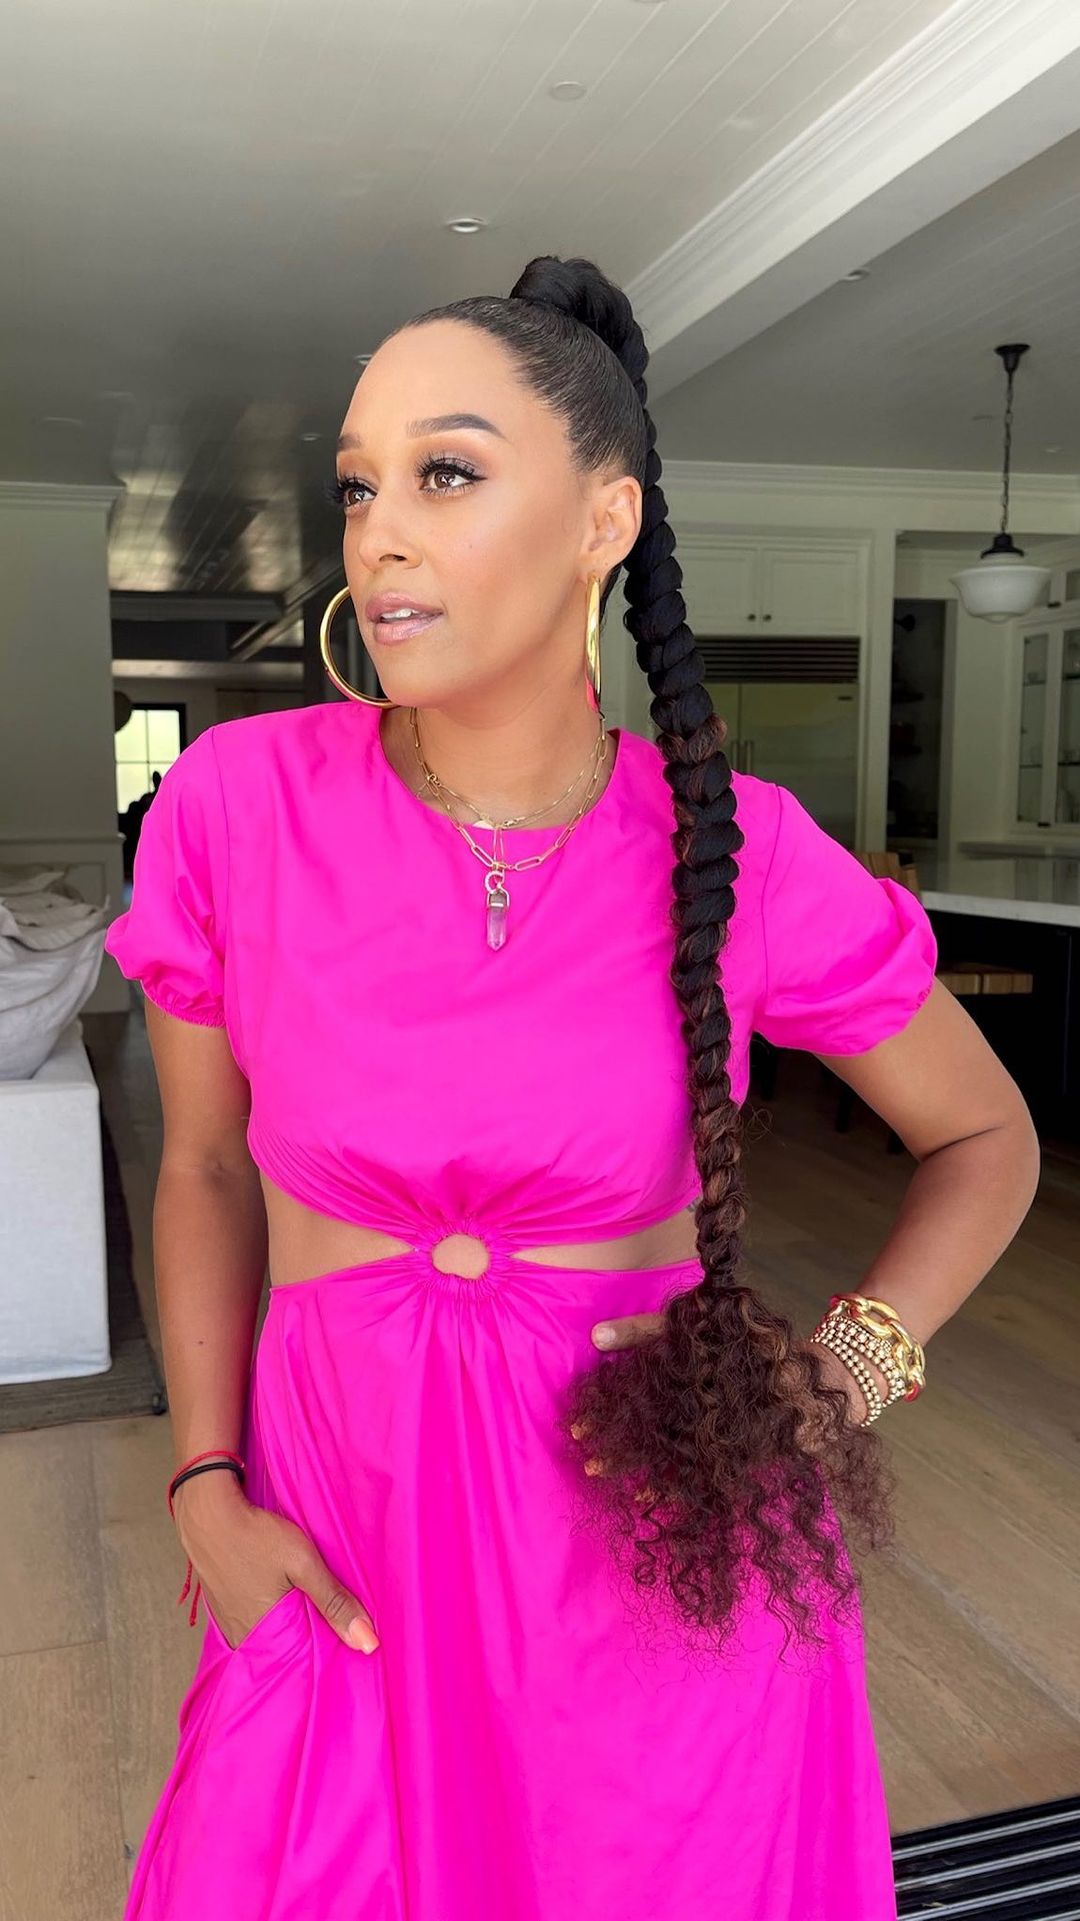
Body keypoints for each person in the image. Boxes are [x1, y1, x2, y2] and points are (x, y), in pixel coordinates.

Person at [104, 255, 1039, 1921]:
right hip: (349, 1526)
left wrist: (844, 1373)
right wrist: (203, 1484)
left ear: (605, 521)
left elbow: (985, 1134)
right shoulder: (237, 809)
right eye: (360, 486)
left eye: (447, 474)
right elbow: (205, 1170)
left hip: (652, 1551)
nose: (381, 534)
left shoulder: (737, 852)